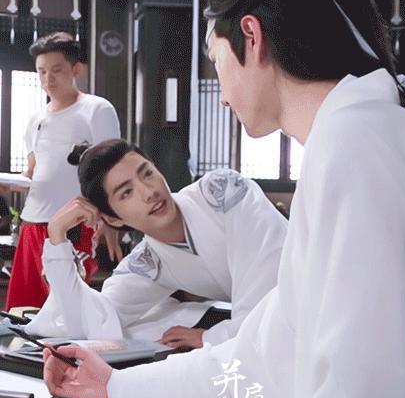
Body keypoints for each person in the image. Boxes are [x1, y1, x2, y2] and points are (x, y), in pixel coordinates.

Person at [43, 0, 405, 398]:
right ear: (113, 216)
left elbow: (371, 397)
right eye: (124, 193)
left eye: (215, 59)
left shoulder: (354, 147)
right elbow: (268, 348)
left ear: (251, 37)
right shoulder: (363, 134)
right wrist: (116, 385)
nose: (221, 96)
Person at [27, 139, 287, 348]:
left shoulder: (222, 192)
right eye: (126, 192)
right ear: (113, 219)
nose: (149, 192)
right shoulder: (149, 263)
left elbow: (271, 288)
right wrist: (56, 236)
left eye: (147, 173)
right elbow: (90, 323)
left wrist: (211, 337)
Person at [3, 32, 120, 310]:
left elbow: (113, 170)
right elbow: (32, 173)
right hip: (32, 224)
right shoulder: (35, 119)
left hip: (74, 224)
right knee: (23, 310)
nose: (48, 79)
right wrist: (10, 183)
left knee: (66, 308)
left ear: (76, 69)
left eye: (56, 70)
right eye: (42, 71)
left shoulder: (97, 109)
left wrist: (112, 222)